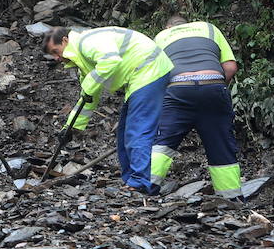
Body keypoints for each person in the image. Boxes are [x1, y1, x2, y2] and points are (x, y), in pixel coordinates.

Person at [43, 26, 173, 192]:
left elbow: (111, 60)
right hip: (139, 75)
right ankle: (131, 181)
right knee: (124, 133)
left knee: (138, 129)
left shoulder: (86, 43)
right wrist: (70, 127)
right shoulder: (83, 59)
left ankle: (140, 183)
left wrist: (90, 85)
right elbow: (88, 98)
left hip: (149, 69)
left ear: (65, 41)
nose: (56, 58)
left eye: (56, 51)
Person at [149, 15, 242, 199]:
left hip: (178, 89)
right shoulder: (209, 28)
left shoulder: (161, 37)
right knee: (221, 145)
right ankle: (232, 199)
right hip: (213, 85)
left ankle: (144, 189)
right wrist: (216, 89)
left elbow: (154, 75)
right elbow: (230, 68)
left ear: (168, 27)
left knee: (162, 142)